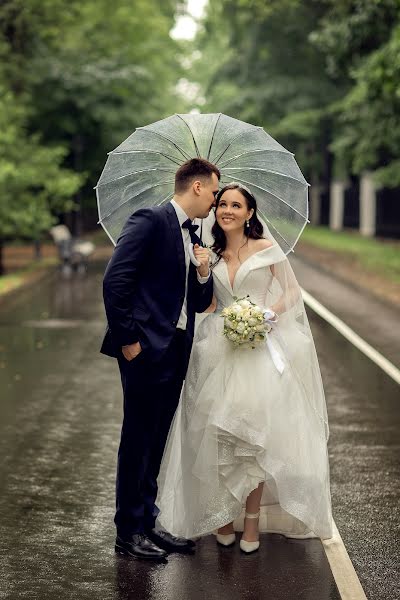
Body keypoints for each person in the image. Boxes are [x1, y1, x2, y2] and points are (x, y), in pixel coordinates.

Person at [156, 182, 333, 553]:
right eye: (222, 203)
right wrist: (203, 272)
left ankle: (250, 525)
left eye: (236, 205)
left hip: (258, 349)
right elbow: (202, 304)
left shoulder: (267, 249)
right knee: (218, 437)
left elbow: (291, 291)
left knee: (252, 440)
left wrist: (268, 314)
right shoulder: (208, 252)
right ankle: (222, 518)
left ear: (250, 213)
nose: (228, 210)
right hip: (217, 348)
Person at [101, 158, 220, 561]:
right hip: (143, 349)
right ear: (198, 187)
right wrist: (128, 341)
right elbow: (116, 281)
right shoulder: (150, 220)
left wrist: (202, 271)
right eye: (215, 192)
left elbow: (200, 303)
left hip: (175, 351)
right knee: (136, 440)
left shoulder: (194, 236)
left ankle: (148, 522)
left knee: (157, 440)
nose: (216, 202)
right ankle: (127, 532)